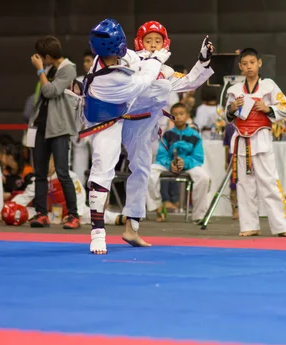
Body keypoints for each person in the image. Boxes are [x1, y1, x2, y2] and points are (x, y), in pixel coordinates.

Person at [121, 21, 214, 244]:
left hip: (145, 128)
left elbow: (190, 82)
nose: (153, 45)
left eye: (158, 41)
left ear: (165, 43)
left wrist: (203, 60)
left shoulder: (166, 71)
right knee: (102, 172)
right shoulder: (130, 62)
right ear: (139, 42)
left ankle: (130, 228)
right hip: (119, 122)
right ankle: (97, 228)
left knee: (141, 173)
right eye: (148, 41)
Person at [83, 18, 165, 254]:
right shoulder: (112, 78)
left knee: (141, 165)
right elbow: (144, 80)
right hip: (104, 122)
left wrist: (148, 57)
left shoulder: (114, 57)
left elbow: (136, 59)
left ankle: (132, 226)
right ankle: (97, 234)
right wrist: (156, 58)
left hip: (124, 112)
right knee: (102, 171)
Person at [225, 48, 286, 237]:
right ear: (240, 67)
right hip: (241, 139)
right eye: (245, 63)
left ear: (259, 63)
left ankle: (282, 227)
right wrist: (232, 108)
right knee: (244, 185)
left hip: (261, 138)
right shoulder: (233, 90)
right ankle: (249, 225)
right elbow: (227, 115)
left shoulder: (269, 86)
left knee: (270, 182)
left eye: (252, 62)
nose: (249, 67)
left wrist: (268, 108)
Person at [28, 35, 80, 229]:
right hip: (41, 125)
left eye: (42, 57)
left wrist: (40, 70)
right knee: (40, 173)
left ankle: (73, 215)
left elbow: (51, 91)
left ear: (48, 56)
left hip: (59, 128)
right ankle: (41, 214)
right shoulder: (50, 68)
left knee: (62, 173)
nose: (40, 60)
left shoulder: (69, 68)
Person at [10, 155, 124, 226]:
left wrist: (76, 214)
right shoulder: (38, 180)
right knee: (28, 212)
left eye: (47, 161)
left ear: (54, 163)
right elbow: (25, 197)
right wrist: (11, 206)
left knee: (90, 213)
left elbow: (79, 195)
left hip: (71, 211)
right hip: (51, 213)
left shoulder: (69, 176)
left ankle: (119, 218)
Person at [147, 102, 209, 222]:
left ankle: (198, 215)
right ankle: (158, 206)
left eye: (181, 114)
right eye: (175, 114)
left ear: (187, 116)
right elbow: (161, 156)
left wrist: (184, 162)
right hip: (170, 164)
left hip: (189, 165)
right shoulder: (167, 135)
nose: (178, 117)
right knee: (149, 172)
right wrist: (170, 164)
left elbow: (198, 158)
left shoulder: (195, 136)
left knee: (204, 178)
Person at [72, 50, 95, 185]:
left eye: (88, 61)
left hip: (98, 125)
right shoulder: (79, 81)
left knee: (100, 161)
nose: (85, 64)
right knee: (79, 162)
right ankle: (79, 195)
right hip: (81, 125)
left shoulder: (104, 80)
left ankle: (103, 197)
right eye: (84, 61)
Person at [224, 122, 238, 220]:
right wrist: (226, 161)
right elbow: (227, 146)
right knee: (233, 186)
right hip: (233, 158)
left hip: (246, 157)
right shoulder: (229, 127)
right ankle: (234, 210)